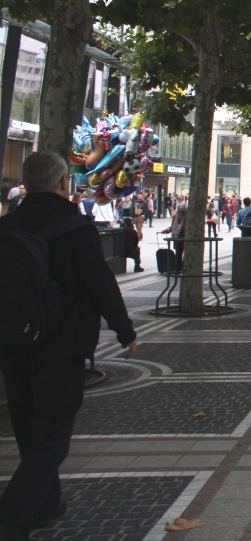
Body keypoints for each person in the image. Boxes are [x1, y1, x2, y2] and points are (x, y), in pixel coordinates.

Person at [0, 152, 137, 539]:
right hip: (62, 345)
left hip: (15, 344)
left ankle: (45, 503)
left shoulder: (6, 226)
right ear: (63, 183)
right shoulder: (76, 228)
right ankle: (13, 512)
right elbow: (100, 285)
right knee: (54, 435)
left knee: (28, 427)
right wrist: (124, 330)